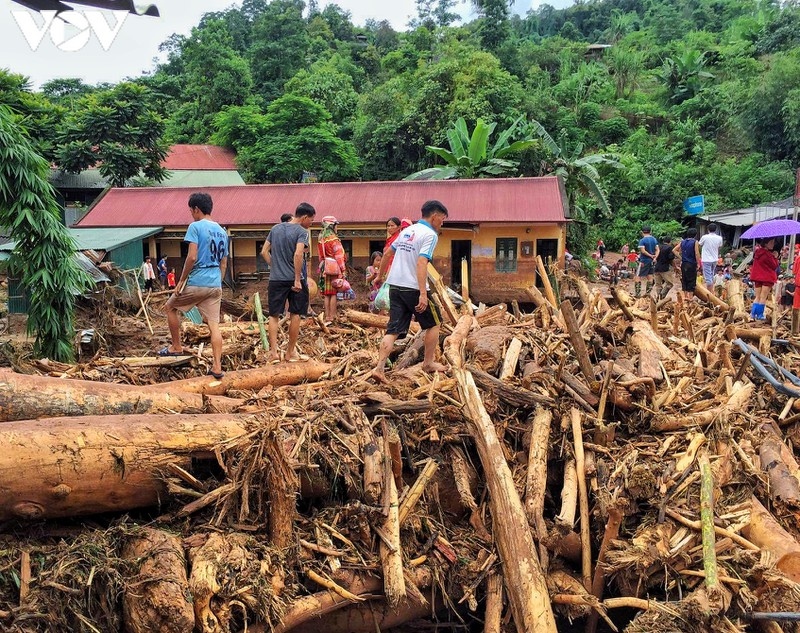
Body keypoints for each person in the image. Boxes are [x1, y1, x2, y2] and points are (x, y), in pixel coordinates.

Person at [372, 200, 450, 383]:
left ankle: (379, 368)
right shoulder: (430, 235)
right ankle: (428, 363)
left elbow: (387, 254)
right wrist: (423, 293)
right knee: (434, 322)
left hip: (395, 286)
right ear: (434, 216)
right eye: (442, 219)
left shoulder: (406, 231)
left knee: (393, 329)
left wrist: (379, 276)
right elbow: (422, 262)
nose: (442, 223)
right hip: (413, 287)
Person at [161, 192, 228, 379]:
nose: (191, 214)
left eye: (191, 211)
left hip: (198, 280)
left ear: (196, 209)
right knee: (214, 325)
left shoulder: (195, 227)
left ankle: (176, 346)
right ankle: (217, 366)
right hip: (215, 283)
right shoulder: (222, 231)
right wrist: (218, 283)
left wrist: (181, 280)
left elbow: (191, 257)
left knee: (170, 307)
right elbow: (224, 263)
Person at [262, 202, 316, 363]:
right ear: (305, 217)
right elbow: (299, 254)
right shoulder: (302, 232)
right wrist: (298, 279)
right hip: (294, 280)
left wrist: (274, 265)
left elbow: (264, 251)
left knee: (273, 315)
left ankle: (273, 353)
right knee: (296, 314)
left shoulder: (275, 229)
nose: (311, 223)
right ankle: (290, 353)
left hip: (276, 279)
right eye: (311, 220)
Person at [317, 216, 347, 325]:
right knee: (333, 293)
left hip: (325, 267)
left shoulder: (321, 239)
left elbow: (320, 256)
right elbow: (339, 256)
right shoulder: (334, 239)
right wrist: (343, 270)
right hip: (334, 268)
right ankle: (333, 316)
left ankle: (327, 316)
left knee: (327, 293)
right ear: (332, 226)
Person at [750, 237, 778, 320]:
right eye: (771, 242)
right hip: (767, 278)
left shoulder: (757, 253)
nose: (773, 244)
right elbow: (774, 266)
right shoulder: (768, 255)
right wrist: (775, 257)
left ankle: (753, 314)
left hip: (757, 277)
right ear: (766, 243)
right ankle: (760, 315)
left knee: (757, 296)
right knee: (763, 297)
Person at [674, 227, 701, 302]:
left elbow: (674, 250)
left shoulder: (683, 242)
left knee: (685, 279)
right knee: (692, 280)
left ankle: (685, 297)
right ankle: (690, 298)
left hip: (684, 263)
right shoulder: (695, 242)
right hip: (691, 263)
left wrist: (681, 257)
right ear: (695, 235)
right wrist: (698, 263)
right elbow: (696, 253)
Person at [698, 223, 723, 292]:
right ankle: (711, 291)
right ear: (715, 229)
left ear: (708, 229)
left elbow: (699, 244)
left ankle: (709, 293)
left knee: (708, 277)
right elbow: (720, 246)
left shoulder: (704, 237)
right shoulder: (719, 238)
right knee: (711, 274)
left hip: (706, 259)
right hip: (714, 259)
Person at [635, 226, 659, 297]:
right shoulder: (654, 239)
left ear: (642, 232)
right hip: (651, 261)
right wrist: (655, 257)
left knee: (637, 276)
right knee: (650, 276)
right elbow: (658, 250)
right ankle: (648, 293)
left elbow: (643, 251)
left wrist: (650, 255)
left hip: (644, 260)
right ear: (650, 231)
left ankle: (638, 294)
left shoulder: (642, 240)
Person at [653, 235, 676, 300]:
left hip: (656, 268)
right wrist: (675, 267)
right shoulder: (669, 248)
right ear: (670, 241)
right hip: (665, 268)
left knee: (658, 284)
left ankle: (658, 298)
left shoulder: (658, 247)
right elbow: (671, 259)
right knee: (669, 283)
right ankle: (662, 296)